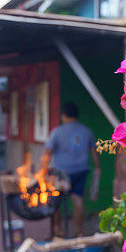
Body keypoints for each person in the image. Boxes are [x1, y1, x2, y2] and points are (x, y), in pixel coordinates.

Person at [43, 102, 101, 238]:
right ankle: (79, 231)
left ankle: (58, 230)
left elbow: (47, 152)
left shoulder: (57, 132)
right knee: (78, 199)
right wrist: (98, 168)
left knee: (56, 201)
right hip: (81, 171)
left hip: (60, 173)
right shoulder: (87, 131)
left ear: (64, 116)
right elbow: (94, 152)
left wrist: (43, 169)